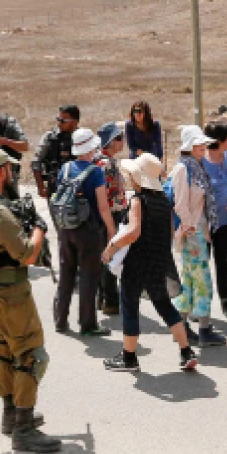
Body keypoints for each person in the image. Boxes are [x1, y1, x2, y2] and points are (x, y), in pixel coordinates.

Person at [0, 148, 62, 453]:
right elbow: (27, 253)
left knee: (6, 351)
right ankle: (22, 429)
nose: (10, 175)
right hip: (11, 295)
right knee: (32, 355)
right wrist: (39, 228)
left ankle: (10, 415)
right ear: (1, 173)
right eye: (8, 170)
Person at [100, 152, 199, 373]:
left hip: (137, 261)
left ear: (138, 178)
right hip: (159, 260)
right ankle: (186, 351)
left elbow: (134, 232)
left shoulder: (138, 200)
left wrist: (111, 248)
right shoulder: (164, 202)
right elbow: (169, 232)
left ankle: (129, 357)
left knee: (129, 305)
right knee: (164, 305)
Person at [51, 127, 114, 336]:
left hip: (66, 229)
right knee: (88, 276)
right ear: (91, 148)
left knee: (66, 273)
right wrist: (112, 231)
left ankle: (60, 320)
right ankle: (87, 324)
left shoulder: (65, 168)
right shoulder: (96, 172)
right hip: (88, 231)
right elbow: (103, 207)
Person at [172, 125, 227, 346]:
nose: (204, 146)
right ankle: (203, 329)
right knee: (202, 280)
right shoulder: (184, 169)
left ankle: (183, 326)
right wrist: (192, 229)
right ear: (190, 146)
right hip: (192, 233)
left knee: (191, 280)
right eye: (199, 143)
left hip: (195, 232)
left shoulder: (193, 166)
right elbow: (181, 205)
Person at [202, 122, 227, 321]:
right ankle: (200, 304)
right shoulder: (201, 162)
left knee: (222, 261)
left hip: (225, 220)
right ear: (220, 141)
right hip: (205, 224)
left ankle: (225, 300)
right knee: (203, 263)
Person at [95, 122, 129, 315]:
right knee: (111, 255)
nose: (122, 142)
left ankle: (103, 298)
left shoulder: (99, 160)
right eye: (118, 138)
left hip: (105, 215)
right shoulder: (106, 164)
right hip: (110, 215)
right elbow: (107, 196)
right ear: (109, 142)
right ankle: (110, 301)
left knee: (105, 256)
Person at [33, 104, 80, 199]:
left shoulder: (83, 138)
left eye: (63, 121)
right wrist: (41, 187)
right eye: (58, 119)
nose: (59, 123)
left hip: (79, 189)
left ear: (74, 122)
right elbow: (36, 161)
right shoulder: (49, 137)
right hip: (55, 188)